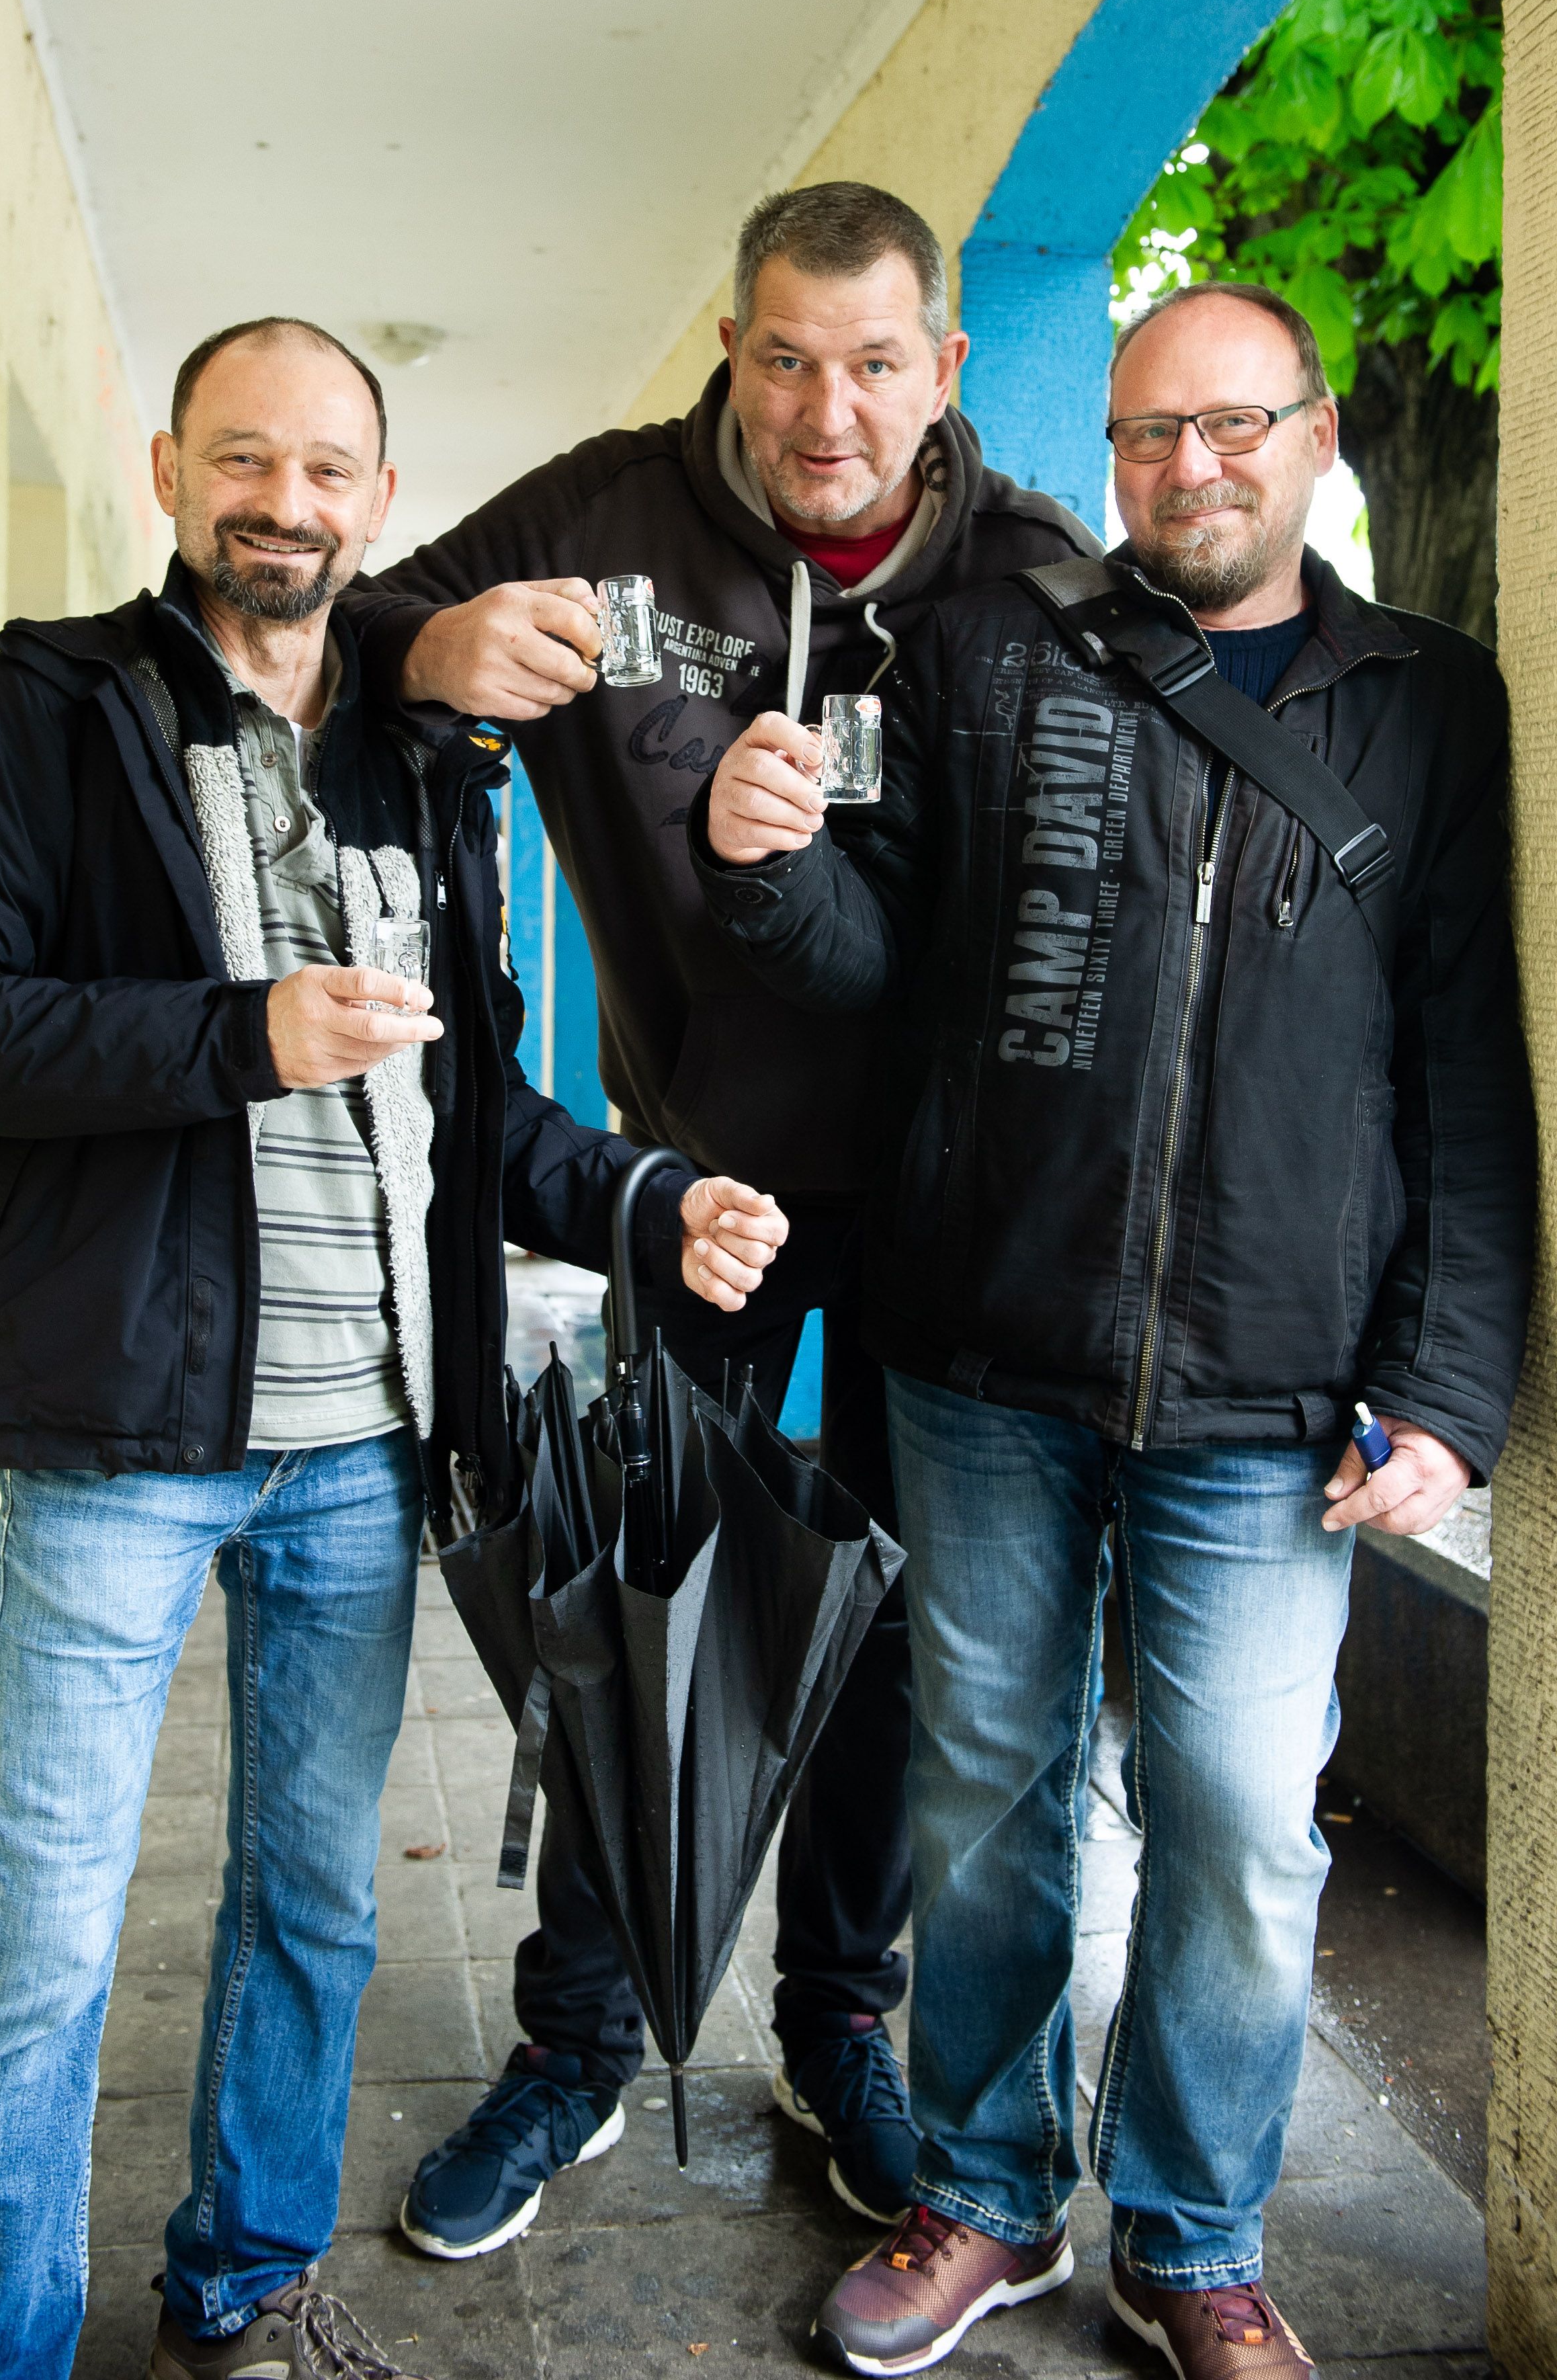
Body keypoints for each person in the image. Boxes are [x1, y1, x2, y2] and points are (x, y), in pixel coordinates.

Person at [0, 317, 788, 2380]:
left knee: (312, 1912)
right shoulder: (45, 715)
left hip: (367, 1446)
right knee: (42, 1948)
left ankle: (247, 2282)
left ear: (381, 497)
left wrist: (647, 1200)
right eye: (246, 462)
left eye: (331, 470)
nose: (287, 504)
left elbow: (476, 1113)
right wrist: (234, 1036)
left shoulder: (414, 760)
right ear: (170, 467)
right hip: (114, 1437)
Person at [694, 278, 1535, 2380]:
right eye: (1156, 430)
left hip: (1278, 1385)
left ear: (1318, 435)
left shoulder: (1427, 702)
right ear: (1118, 448)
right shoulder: (994, 652)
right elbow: (868, 947)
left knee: (1245, 1817)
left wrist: (1450, 1384)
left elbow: (1463, 1055)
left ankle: (1194, 2233)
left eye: (1237, 424)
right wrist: (766, 858)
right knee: (987, 1789)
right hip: (982, 1348)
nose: (1195, 464)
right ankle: (986, 2195)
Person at [341, 182, 1097, 2254]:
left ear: (941, 365)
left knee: (895, 1636)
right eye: (785, 358)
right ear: (735, 350)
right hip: (708, 1195)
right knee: (648, 1606)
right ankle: (577, 2037)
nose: (825, 409)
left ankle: (838, 2014)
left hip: (952, 1212)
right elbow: (326, 634)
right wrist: (429, 640)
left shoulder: (1032, 581)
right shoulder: (609, 511)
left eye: (872, 362)